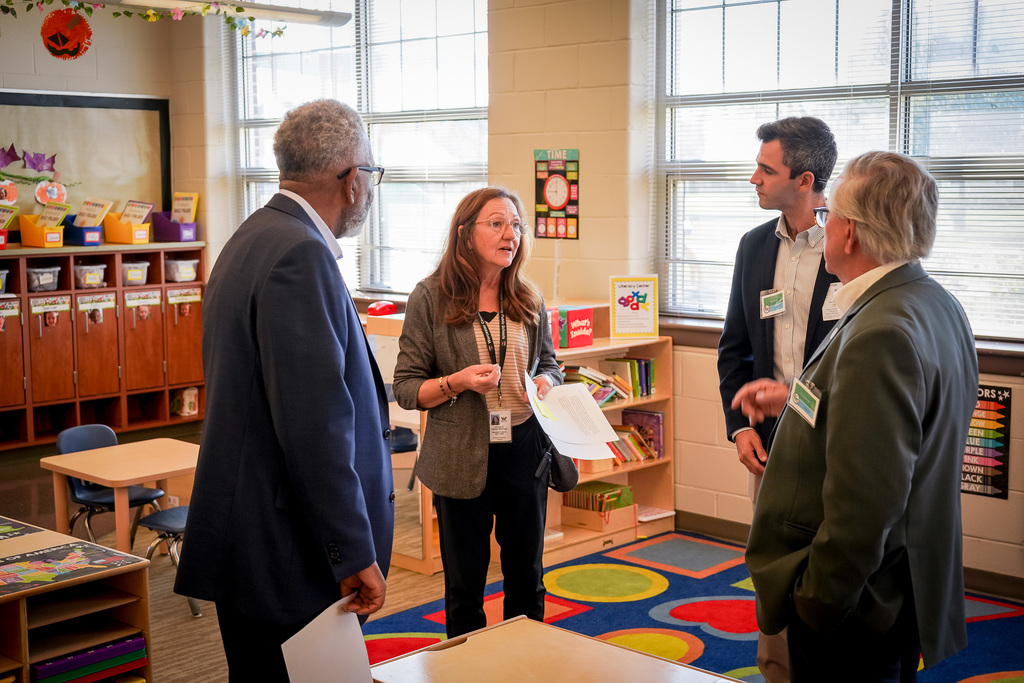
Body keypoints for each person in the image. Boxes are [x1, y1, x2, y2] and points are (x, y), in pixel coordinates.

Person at [734, 151, 978, 682]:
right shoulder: (931, 301)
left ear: (852, 235)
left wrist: (816, 600)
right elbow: (889, 424)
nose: (825, 225)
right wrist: (798, 398)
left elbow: (866, 503)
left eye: (831, 215)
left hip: (857, 600)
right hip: (901, 577)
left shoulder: (880, 333)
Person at [174, 100, 395, 681]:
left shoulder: (253, 236)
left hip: (249, 536)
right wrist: (352, 551)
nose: (371, 188)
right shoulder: (302, 255)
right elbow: (315, 428)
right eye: (372, 173)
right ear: (351, 181)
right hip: (291, 550)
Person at [392, 187, 562, 638]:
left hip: (524, 448)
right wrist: (458, 382)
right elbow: (407, 388)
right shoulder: (430, 297)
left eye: (517, 225)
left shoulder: (527, 296)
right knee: (465, 584)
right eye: (498, 223)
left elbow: (548, 363)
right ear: (465, 234)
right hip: (461, 452)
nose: (512, 234)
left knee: (527, 576)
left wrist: (547, 381)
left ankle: (526, 662)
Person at [716, 116, 839, 683]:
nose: (754, 179)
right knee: (771, 568)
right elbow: (735, 347)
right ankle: (776, 671)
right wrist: (739, 428)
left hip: (833, 443)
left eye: (767, 170)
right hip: (768, 443)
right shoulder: (753, 245)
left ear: (805, 180)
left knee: (829, 571)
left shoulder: (850, 246)